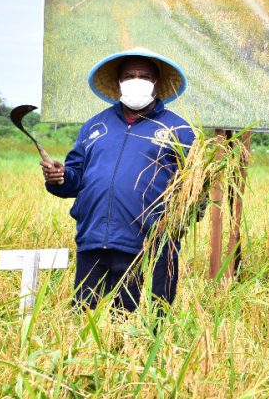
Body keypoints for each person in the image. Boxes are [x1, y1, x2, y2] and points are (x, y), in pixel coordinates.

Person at [40, 47, 195, 312]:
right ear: (119, 82)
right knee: (86, 320)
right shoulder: (95, 126)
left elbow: (195, 190)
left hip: (149, 246)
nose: (137, 81)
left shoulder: (178, 129)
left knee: (140, 324)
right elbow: (74, 179)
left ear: (157, 84)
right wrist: (59, 177)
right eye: (129, 76)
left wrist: (173, 225)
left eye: (145, 76)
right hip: (94, 241)